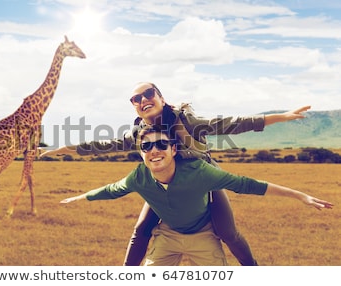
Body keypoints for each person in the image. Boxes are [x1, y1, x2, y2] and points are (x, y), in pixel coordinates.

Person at [41, 82, 312, 266]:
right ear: (134, 107)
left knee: (227, 232)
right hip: (164, 182)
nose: (143, 100)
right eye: (136, 99)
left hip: (202, 180)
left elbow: (233, 124)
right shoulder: (137, 134)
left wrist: (281, 116)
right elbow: (105, 145)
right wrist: (66, 148)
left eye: (148, 94)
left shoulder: (187, 123)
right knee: (141, 230)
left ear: (161, 98)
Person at [60, 125, 333, 266]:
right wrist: (81, 197)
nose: (154, 150)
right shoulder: (138, 177)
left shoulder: (200, 172)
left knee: (229, 237)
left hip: (203, 235)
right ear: (140, 152)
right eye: (147, 146)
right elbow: (111, 190)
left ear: (174, 149)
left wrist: (300, 196)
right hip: (166, 236)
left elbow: (248, 184)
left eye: (161, 144)